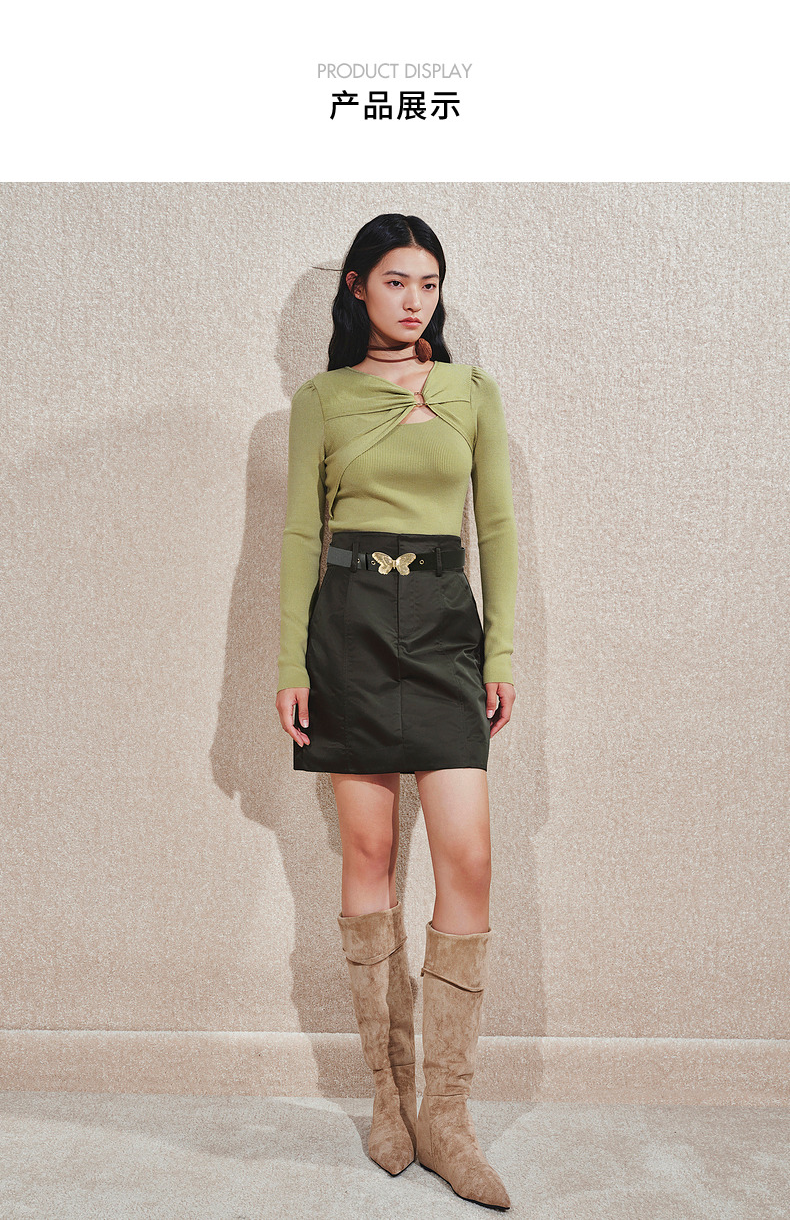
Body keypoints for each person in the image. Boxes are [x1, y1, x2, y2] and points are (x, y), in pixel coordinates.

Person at [275, 213, 518, 1209]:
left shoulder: (471, 391)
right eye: (394, 282)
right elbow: (300, 534)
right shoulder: (320, 399)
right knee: (367, 853)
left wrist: (500, 650)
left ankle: (447, 1115)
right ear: (357, 289)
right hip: (352, 626)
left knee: (469, 857)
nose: (414, 301)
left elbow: (495, 526)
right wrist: (289, 662)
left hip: (445, 625)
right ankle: (388, 1097)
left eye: (428, 283)